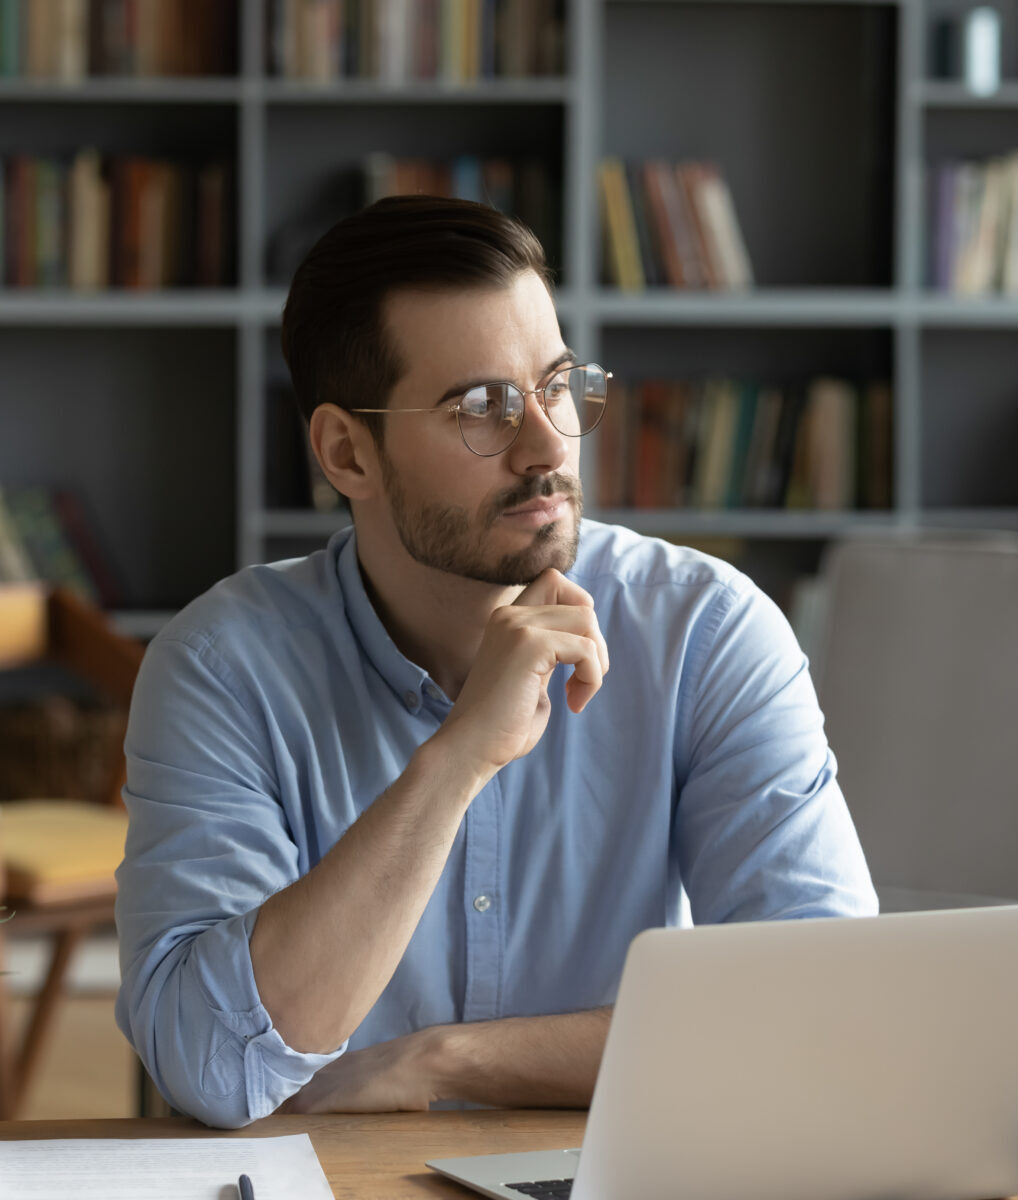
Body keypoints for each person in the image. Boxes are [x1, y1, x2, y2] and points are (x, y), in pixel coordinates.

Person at [114, 195, 876, 1129]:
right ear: (347, 452)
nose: (550, 444)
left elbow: (826, 1013)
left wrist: (445, 1060)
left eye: (558, 385)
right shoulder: (220, 669)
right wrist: (459, 756)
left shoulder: (705, 633)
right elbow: (214, 1069)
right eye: (481, 407)